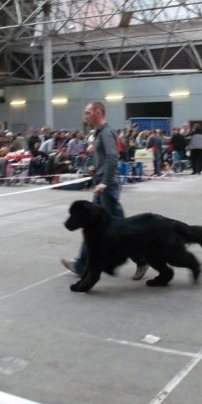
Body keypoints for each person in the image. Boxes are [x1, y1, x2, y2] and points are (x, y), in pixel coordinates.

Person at [61, 101, 148, 280]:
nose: (85, 116)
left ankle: (142, 259)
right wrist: (96, 169)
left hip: (106, 187)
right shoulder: (99, 133)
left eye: (88, 113)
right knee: (91, 226)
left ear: (98, 113)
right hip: (101, 184)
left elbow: (113, 158)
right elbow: (105, 158)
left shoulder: (107, 132)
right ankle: (81, 265)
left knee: (121, 229)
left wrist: (105, 181)